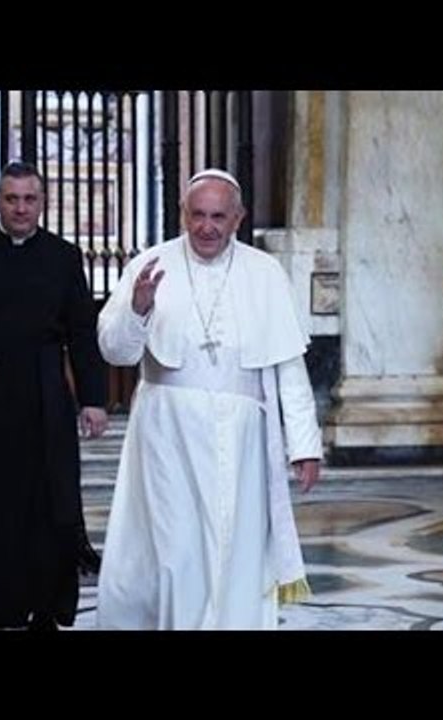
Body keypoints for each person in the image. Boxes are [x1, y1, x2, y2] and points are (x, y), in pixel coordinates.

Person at [95, 169, 321, 630]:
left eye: (219, 216)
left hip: (243, 440)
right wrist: (138, 308)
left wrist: (304, 445)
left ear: (237, 218)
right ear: (183, 214)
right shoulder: (150, 264)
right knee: (175, 552)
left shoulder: (265, 272)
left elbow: (289, 368)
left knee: (237, 548)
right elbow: (114, 351)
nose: (207, 227)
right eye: (197, 215)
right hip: (166, 435)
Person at [0, 161, 108, 630]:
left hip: (44, 393)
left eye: (29, 199)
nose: (20, 208)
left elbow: (81, 330)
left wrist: (92, 398)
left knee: (47, 502)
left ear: (42, 203)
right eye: (11, 199)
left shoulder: (64, 256)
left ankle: (45, 608)